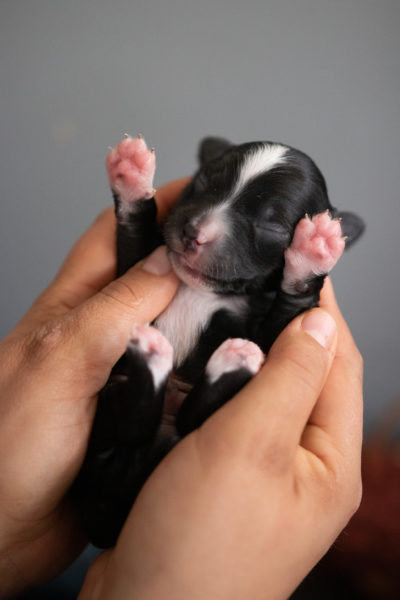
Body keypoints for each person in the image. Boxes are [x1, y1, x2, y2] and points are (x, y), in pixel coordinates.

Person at [0, 177, 363, 600]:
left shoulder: (254, 289)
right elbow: (133, 258)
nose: (202, 229)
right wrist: (135, 207)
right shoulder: (176, 258)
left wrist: (302, 276)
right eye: (210, 190)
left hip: (175, 450)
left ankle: (159, 379)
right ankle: (156, 381)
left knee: (202, 418)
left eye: (266, 229)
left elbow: (281, 324)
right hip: (99, 478)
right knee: (133, 419)